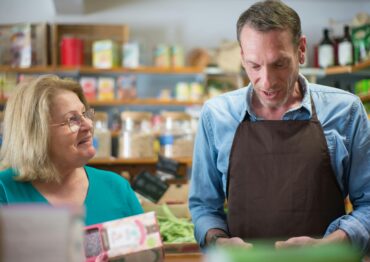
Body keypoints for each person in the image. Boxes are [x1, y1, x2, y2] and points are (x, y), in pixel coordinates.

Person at [189, 0, 370, 254]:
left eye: (279, 64)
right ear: (242, 57)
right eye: (254, 66)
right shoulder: (216, 115)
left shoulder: (345, 111)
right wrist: (218, 241)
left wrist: (331, 245)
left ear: (301, 50)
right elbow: (204, 206)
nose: (267, 81)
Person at [0, 75, 143, 226]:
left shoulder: (116, 187)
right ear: (35, 134)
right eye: (72, 119)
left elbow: (147, 249)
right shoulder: (4, 190)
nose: (88, 124)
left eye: (85, 114)